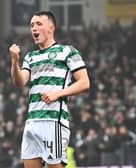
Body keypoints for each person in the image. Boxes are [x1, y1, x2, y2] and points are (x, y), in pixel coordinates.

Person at [9, 11, 90, 168]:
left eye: (39, 24)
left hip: (53, 122)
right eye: (32, 25)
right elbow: (19, 82)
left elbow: (85, 82)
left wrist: (56, 94)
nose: (34, 28)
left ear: (51, 27)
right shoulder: (30, 57)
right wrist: (14, 61)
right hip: (32, 122)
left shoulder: (68, 51)